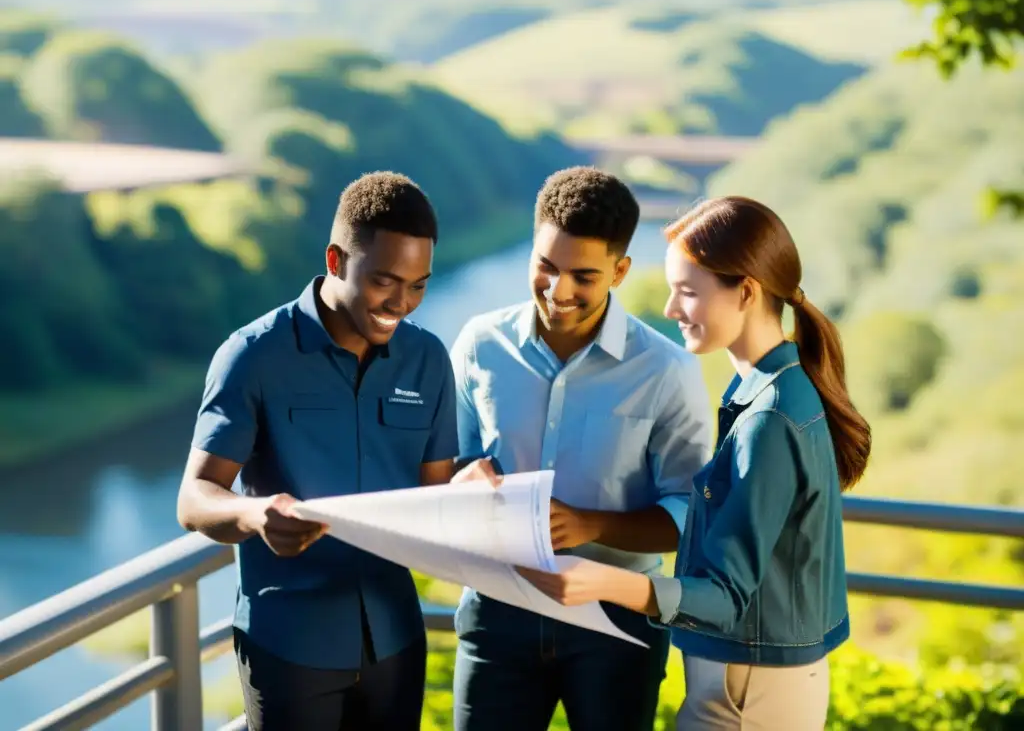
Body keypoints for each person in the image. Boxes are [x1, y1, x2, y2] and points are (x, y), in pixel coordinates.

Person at [518, 195, 872, 730]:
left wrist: (596, 580)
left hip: (748, 695)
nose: (669, 309)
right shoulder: (769, 392)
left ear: (746, 292)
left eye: (687, 291)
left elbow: (727, 596)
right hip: (751, 684)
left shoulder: (770, 418)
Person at [176, 172, 464, 731]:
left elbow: (438, 498)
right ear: (335, 260)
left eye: (419, 285)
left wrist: (475, 490)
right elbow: (194, 498)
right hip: (288, 643)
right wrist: (253, 515)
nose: (401, 303)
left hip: (397, 638)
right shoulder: (252, 355)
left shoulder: (429, 360)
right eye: (385, 281)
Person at [448, 166, 714, 731]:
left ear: (620, 271)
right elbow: (449, 462)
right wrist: (460, 480)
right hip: (498, 612)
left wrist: (590, 525)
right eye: (545, 265)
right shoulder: (478, 344)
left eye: (583, 276)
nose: (558, 290)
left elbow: (691, 517)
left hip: (617, 625)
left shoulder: (668, 372)